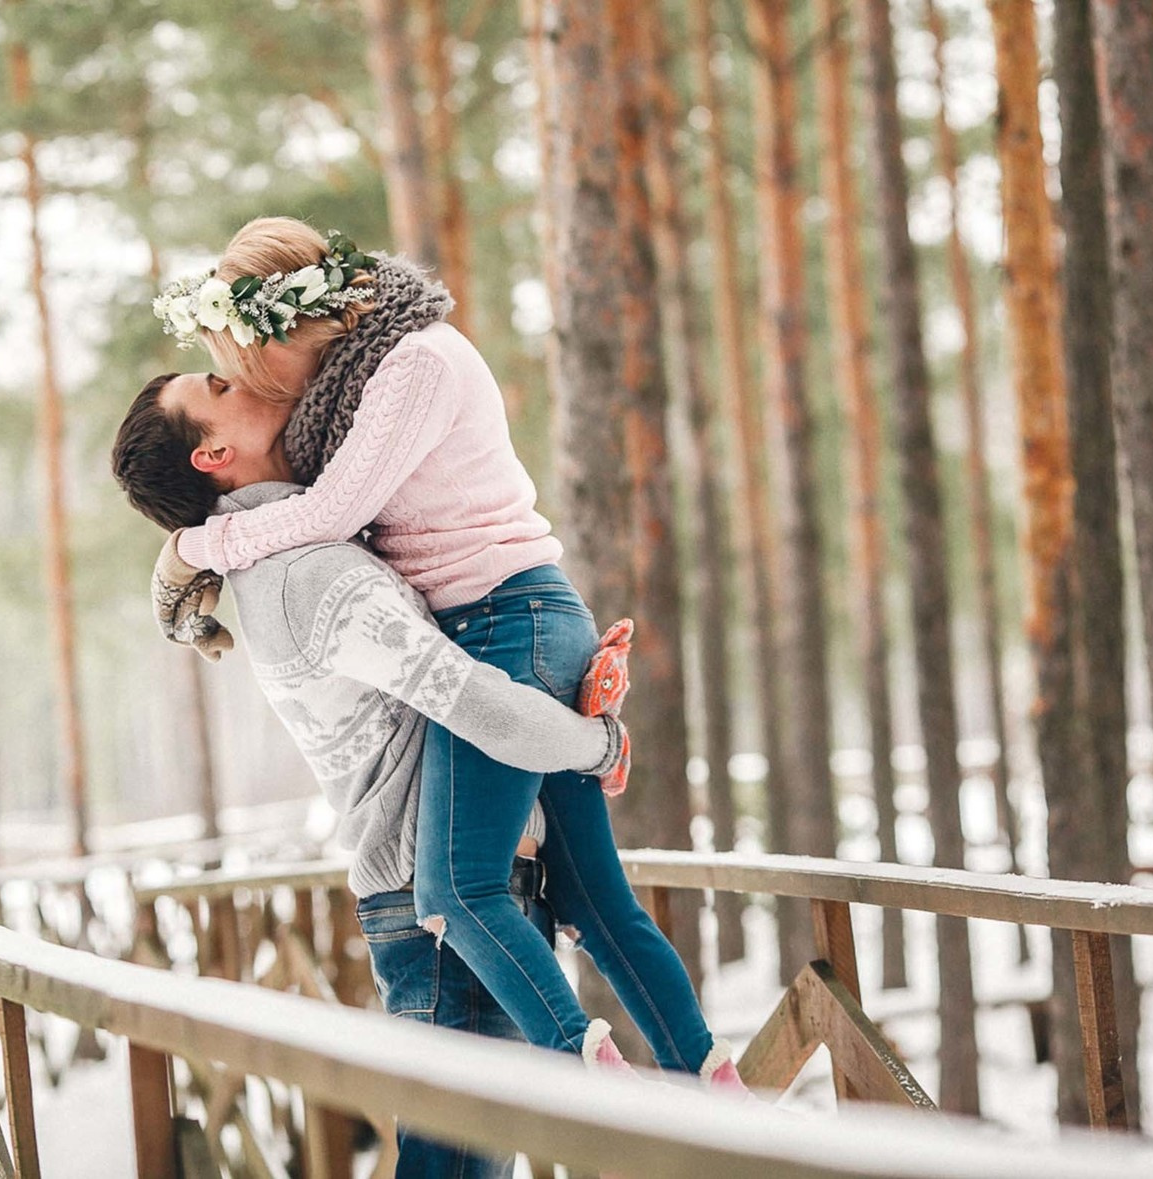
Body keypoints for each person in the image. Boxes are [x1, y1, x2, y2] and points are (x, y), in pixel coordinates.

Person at [130, 217, 742, 1086]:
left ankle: (592, 1074)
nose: (245, 377)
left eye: (237, 360)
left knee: (455, 890)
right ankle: (711, 1080)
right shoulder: (347, 392)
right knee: (592, 896)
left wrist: (192, 551)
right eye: (223, 377)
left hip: (502, 617)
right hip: (508, 618)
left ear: (282, 329)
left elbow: (331, 516)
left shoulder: (410, 363)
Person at [116, 385, 655, 1174]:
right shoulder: (311, 573)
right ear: (214, 456)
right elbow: (478, 706)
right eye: (221, 388)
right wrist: (596, 746)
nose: (245, 377)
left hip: (445, 897)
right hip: (442, 910)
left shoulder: (294, 550)